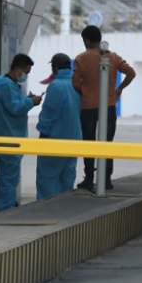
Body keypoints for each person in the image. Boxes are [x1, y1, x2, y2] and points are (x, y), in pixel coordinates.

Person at [71, 25, 136, 190]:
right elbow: (131, 73)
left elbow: (75, 83)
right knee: (107, 143)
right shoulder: (112, 56)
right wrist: (118, 89)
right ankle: (106, 180)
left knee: (89, 143)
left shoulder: (81, 58)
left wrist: (85, 91)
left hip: (88, 107)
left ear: (86, 40)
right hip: (108, 106)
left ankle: (89, 179)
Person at [0, 54, 42, 212]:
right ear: (18, 69)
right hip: (9, 138)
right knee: (7, 177)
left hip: (10, 136)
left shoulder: (8, 85)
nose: (26, 76)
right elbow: (15, 108)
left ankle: (6, 205)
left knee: (9, 176)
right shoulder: (7, 86)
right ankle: (4, 209)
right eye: (26, 72)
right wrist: (31, 101)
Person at [35, 53, 82, 199]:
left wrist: (42, 136)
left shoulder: (56, 85)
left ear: (54, 67)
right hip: (75, 139)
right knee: (67, 177)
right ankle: (64, 210)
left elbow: (49, 114)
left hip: (56, 139)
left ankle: (46, 211)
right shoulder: (77, 84)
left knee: (47, 177)